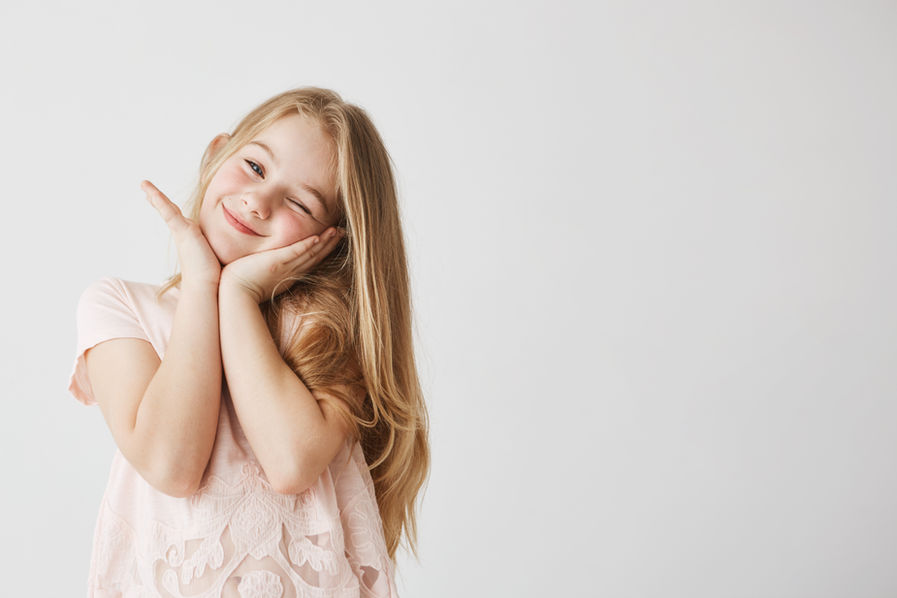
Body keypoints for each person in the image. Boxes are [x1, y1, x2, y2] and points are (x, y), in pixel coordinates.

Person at [67, 86, 429, 597]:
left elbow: (290, 463)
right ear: (217, 152)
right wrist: (202, 284)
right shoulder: (121, 308)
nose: (258, 202)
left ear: (330, 240)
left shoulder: (323, 332)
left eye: (300, 203)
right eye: (256, 168)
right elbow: (172, 466)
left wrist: (236, 295)